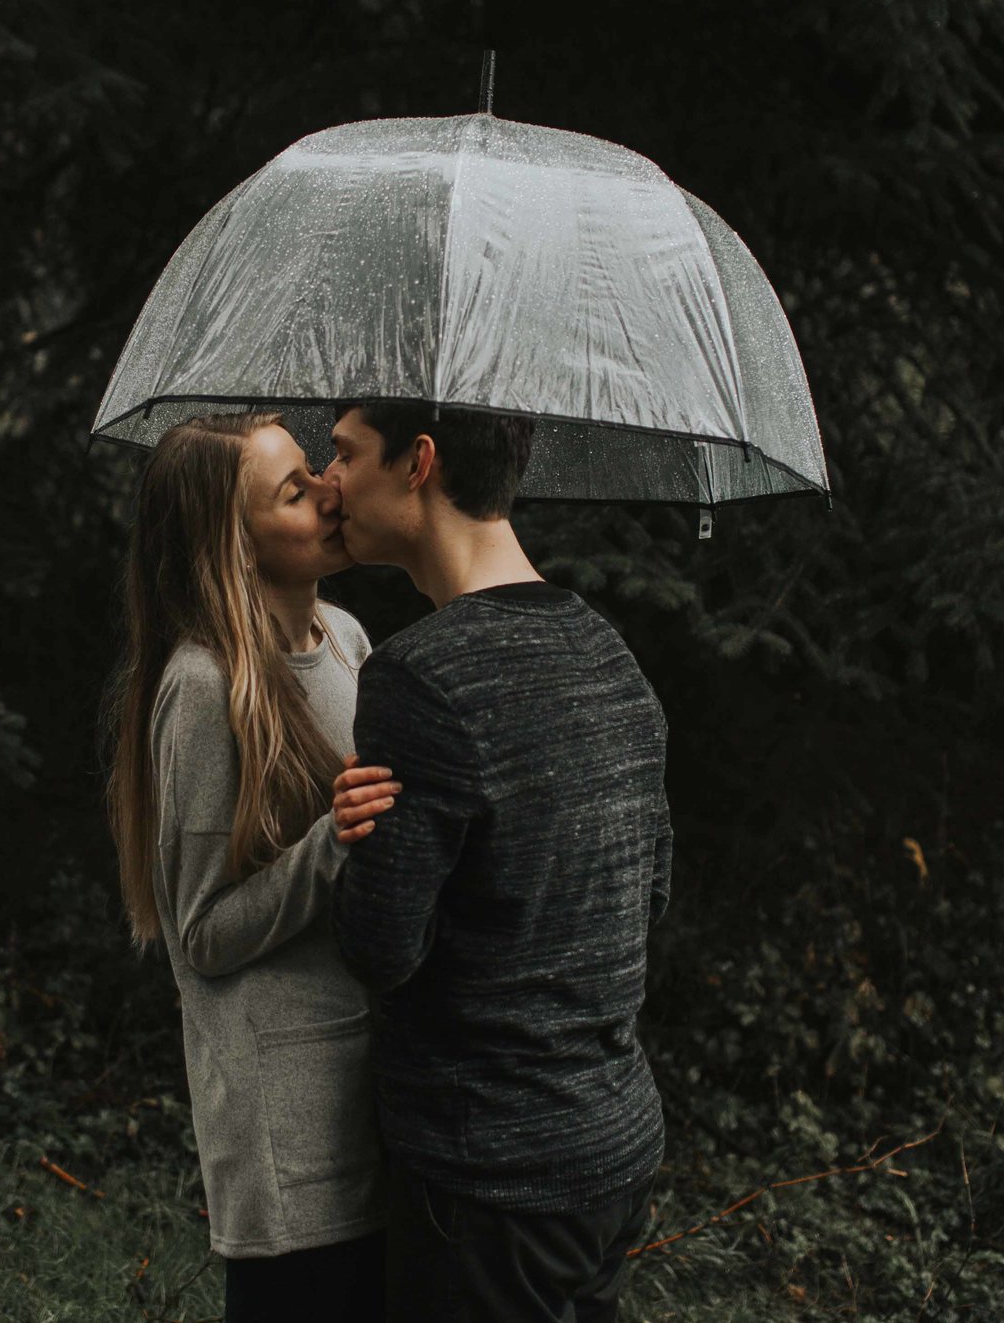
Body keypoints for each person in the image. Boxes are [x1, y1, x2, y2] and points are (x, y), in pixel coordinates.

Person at [319, 399, 674, 1323]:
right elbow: (653, 893)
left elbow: (381, 949)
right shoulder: (609, 653)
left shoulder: (421, 676)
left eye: (346, 453)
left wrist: (353, 842)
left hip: (487, 1178)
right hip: (613, 1145)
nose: (329, 482)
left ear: (418, 462)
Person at [100, 410, 404, 1322]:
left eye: (315, 470)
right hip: (285, 1129)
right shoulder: (202, 688)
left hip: (374, 1084)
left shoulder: (348, 639)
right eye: (292, 490)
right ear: (233, 546)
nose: (327, 491)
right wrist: (331, 846)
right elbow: (199, 935)